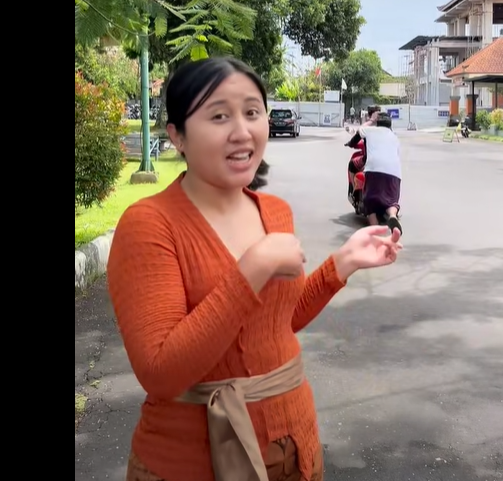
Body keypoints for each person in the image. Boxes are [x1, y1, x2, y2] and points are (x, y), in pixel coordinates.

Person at [107, 57, 403, 481]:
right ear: (177, 136)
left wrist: (342, 264)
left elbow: (275, 321)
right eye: (219, 116)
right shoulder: (150, 225)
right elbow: (161, 373)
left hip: (295, 447)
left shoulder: (275, 211)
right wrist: (252, 268)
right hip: (189, 462)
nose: (242, 131)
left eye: (252, 112)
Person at [345, 111, 402, 235]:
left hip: (373, 169)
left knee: (370, 202)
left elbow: (356, 137)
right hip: (394, 172)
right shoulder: (395, 137)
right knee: (392, 200)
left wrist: (350, 143)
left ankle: (375, 230)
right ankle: (392, 215)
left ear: (377, 122)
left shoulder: (369, 130)